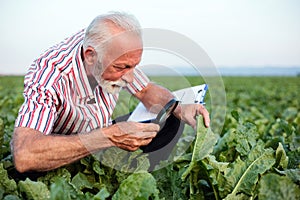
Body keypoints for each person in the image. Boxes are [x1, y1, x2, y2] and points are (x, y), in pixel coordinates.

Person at [12, 11, 210, 173]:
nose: (131, 78)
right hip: (63, 147)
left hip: (101, 132)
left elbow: (146, 90)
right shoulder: (50, 76)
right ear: (90, 56)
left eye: (133, 66)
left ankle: (144, 174)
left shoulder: (111, 47)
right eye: (121, 67)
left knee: (170, 118)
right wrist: (107, 136)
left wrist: (179, 107)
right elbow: (25, 155)